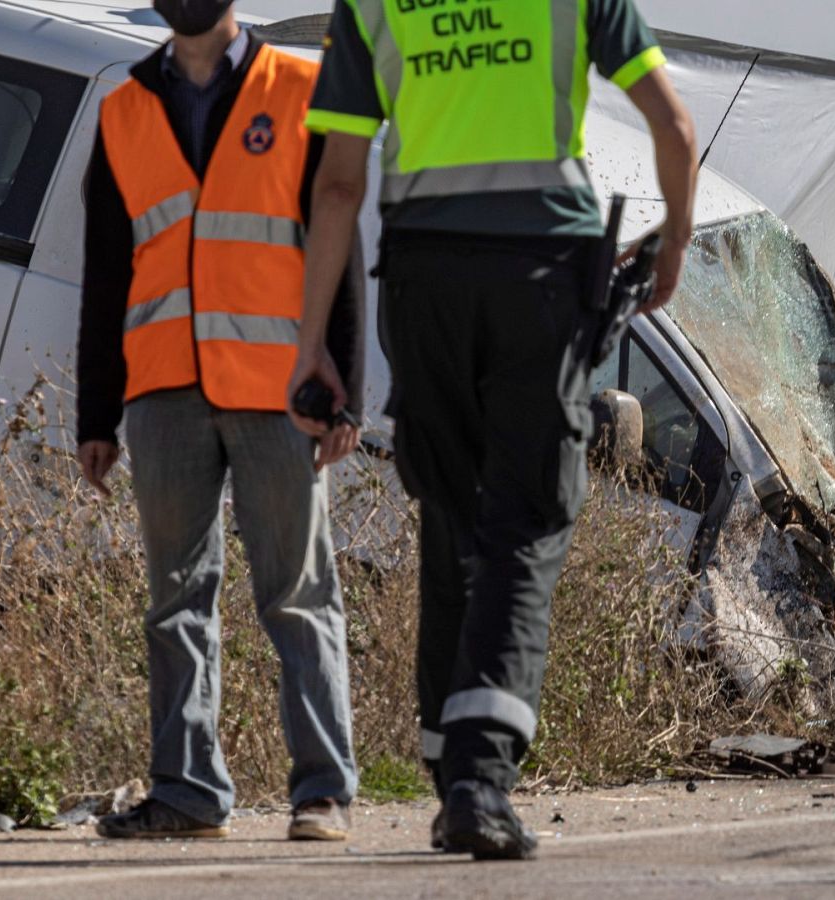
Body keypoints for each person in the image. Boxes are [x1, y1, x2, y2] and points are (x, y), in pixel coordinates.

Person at [292, 0, 696, 860]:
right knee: (526, 520)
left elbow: (335, 183)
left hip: (421, 276)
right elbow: (675, 126)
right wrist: (673, 245)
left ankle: (449, 763)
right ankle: (479, 779)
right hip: (541, 273)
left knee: (450, 507)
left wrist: (312, 346)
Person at [76, 0, 365, 841]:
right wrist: (98, 413)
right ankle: (189, 793)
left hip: (281, 388)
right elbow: (107, 269)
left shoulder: (300, 85)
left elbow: (333, 235)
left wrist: (342, 385)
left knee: (297, 594)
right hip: (163, 392)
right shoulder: (123, 110)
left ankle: (323, 793)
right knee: (175, 601)